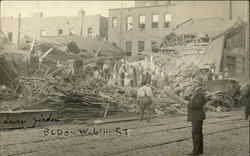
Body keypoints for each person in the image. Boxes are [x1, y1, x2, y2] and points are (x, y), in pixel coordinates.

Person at [187, 76, 206, 155]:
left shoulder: (198, 92)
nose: (193, 83)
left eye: (194, 82)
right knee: (198, 133)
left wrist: (188, 104)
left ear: (198, 83)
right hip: (198, 115)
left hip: (196, 115)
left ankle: (195, 151)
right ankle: (199, 150)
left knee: (196, 133)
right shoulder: (198, 91)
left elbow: (197, 105)